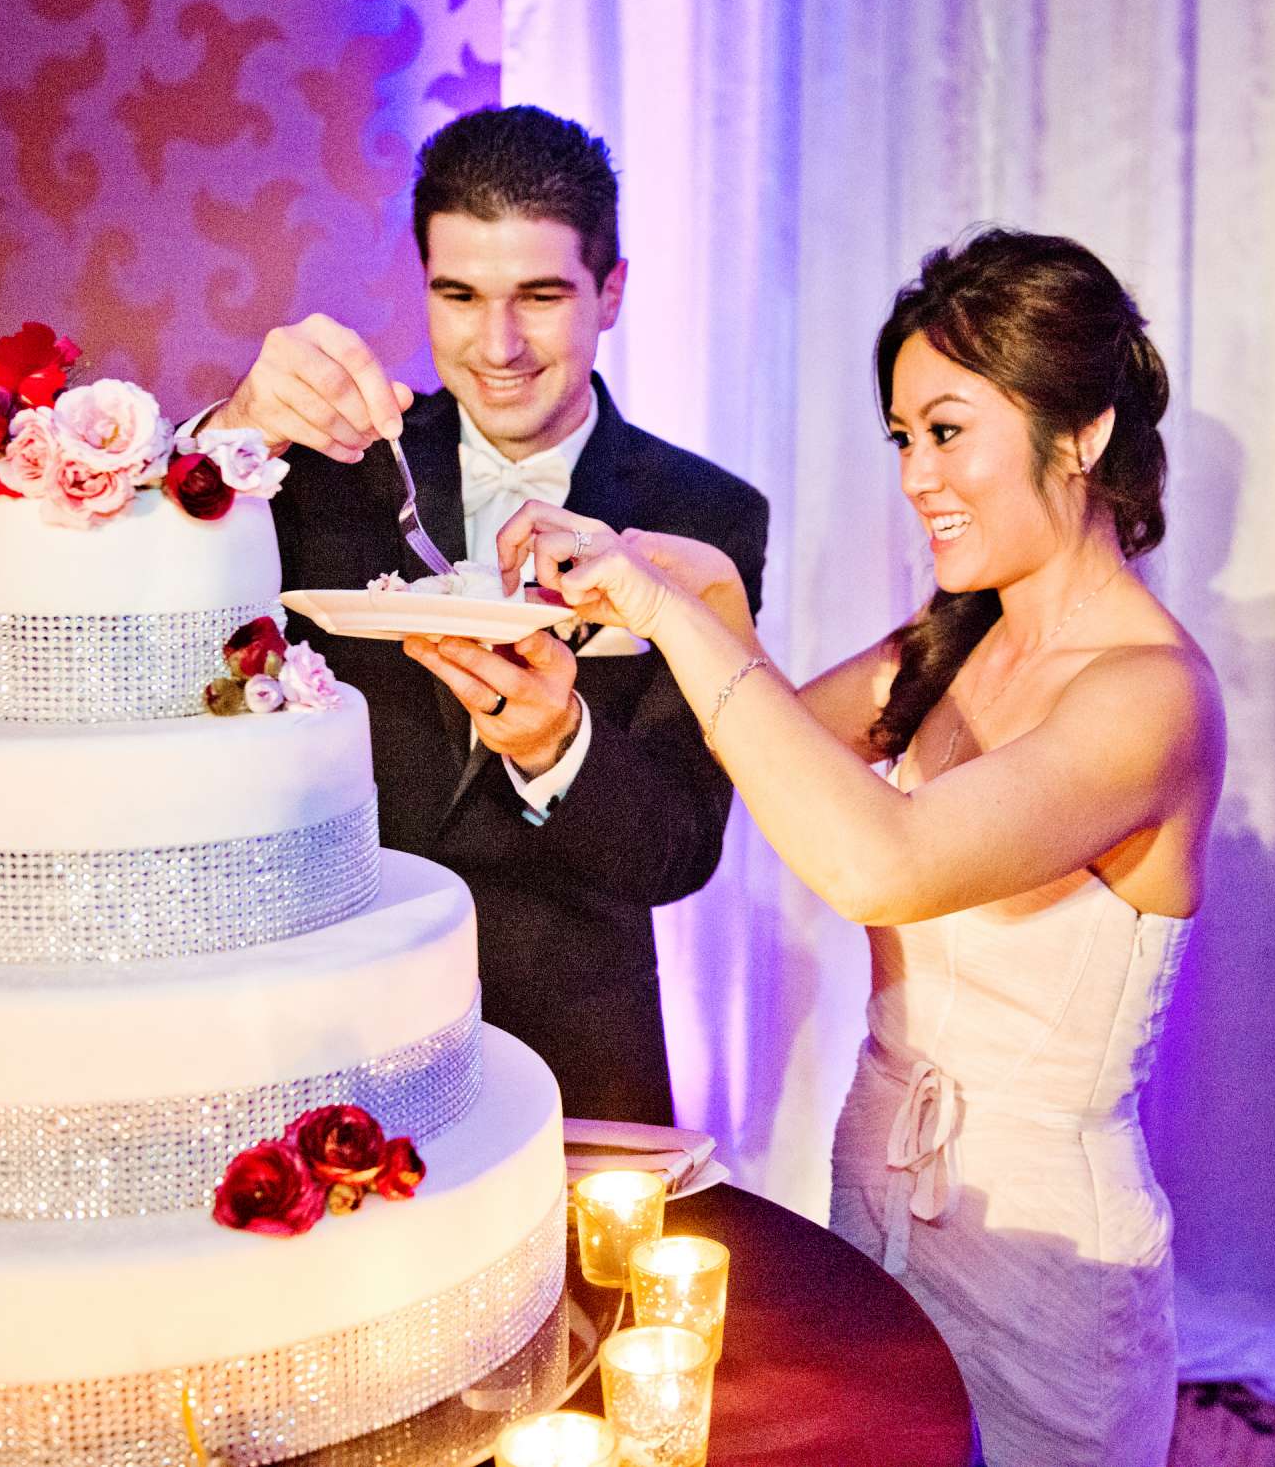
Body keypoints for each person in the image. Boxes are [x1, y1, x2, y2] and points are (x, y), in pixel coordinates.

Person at [495, 228, 1225, 1466]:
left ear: (1084, 433)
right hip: (874, 1173)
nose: (916, 475)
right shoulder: (947, 644)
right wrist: (698, 610)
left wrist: (674, 614)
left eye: (948, 431)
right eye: (902, 439)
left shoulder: (1151, 698)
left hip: (1047, 1249)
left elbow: (880, 858)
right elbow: (766, 748)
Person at [209, 106, 768, 1126]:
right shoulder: (327, 475)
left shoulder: (706, 517)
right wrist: (231, 435)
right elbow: (172, 631)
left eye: (541, 296)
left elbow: (681, 848)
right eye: (459, 295)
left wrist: (560, 742)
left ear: (612, 293)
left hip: (582, 1054)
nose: (497, 344)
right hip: (340, 1044)